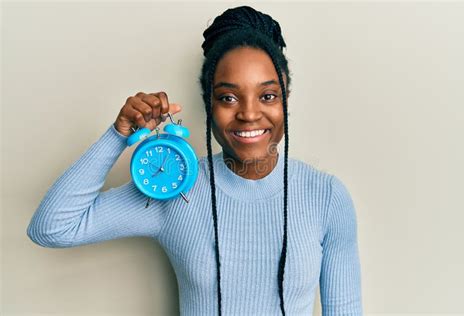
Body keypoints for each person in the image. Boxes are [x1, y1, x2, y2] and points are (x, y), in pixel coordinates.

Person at [27, 5, 363, 315]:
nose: (248, 113)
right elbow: (53, 228)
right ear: (209, 104)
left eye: (268, 95)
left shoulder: (326, 197)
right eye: (228, 97)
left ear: (285, 99)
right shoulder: (176, 187)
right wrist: (118, 134)